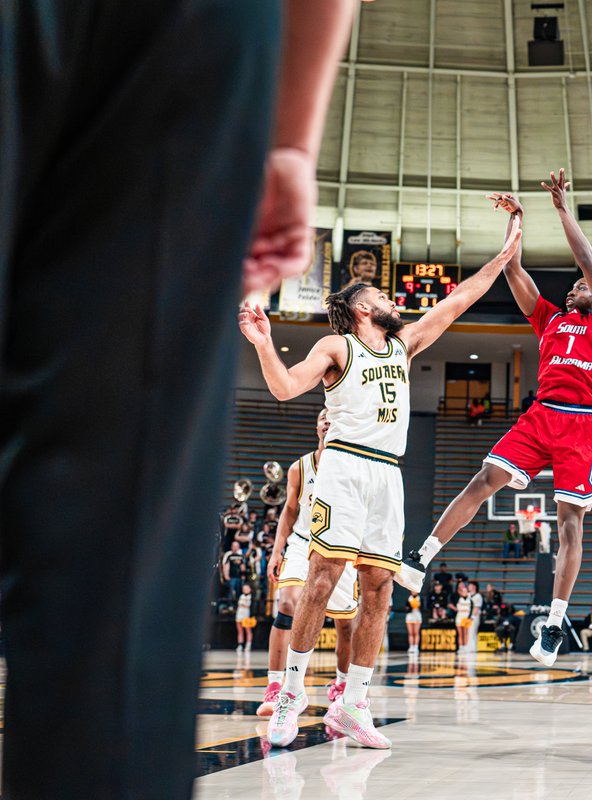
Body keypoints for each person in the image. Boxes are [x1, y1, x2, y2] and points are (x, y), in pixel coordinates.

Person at [0, 1, 366, 795]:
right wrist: (292, 142)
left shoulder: (380, 352)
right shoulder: (337, 358)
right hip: (181, 35)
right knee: (121, 544)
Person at [239, 218, 523, 749]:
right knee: (321, 581)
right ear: (363, 308)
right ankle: (291, 694)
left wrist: (505, 256)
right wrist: (262, 343)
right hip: (344, 468)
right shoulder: (336, 347)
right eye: (384, 296)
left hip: (387, 474)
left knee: (380, 592)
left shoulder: (404, 345)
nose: (396, 302)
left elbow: (458, 300)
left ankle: (353, 704)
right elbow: (282, 388)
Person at [399, 175, 592, 669]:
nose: (581, 283)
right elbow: (513, 268)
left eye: (586, 282)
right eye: (576, 285)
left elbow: (587, 260)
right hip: (542, 414)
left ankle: (554, 622)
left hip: (584, 425)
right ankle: (421, 558)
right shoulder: (549, 317)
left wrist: (561, 209)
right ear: (569, 298)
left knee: (569, 524)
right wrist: (516, 219)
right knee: (484, 480)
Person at [258, 409, 359, 719]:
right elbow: (289, 511)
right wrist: (277, 552)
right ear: (317, 426)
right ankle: (276, 687)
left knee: (346, 623)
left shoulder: (355, 467)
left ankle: (342, 686)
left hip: (342, 546)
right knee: (286, 602)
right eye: (323, 418)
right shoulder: (300, 468)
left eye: (333, 418)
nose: (327, 422)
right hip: (303, 543)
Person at [235, 584, 255, 652]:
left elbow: (249, 606)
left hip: (246, 616)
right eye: (244, 588)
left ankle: (248, 645)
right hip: (239, 615)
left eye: (247, 588)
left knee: (248, 630)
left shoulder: (251, 597)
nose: (245, 590)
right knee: (240, 631)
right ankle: (240, 645)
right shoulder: (241, 596)